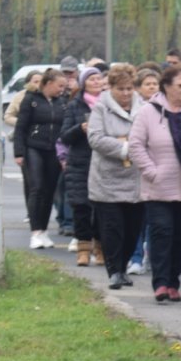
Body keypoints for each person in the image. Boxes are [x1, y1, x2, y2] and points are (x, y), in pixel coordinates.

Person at [127, 65, 181, 302]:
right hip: (159, 187)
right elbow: (136, 145)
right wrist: (151, 172)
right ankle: (161, 283)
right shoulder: (148, 111)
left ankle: (174, 282)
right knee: (162, 233)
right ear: (166, 86)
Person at [87, 64, 146, 290]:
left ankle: (124, 266)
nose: (125, 93)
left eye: (129, 88)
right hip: (108, 179)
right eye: (121, 89)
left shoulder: (144, 107)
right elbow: (95, 138)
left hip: (135, 178)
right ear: (111, 88)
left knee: (133, 228)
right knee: (113, 228)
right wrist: (126, 148)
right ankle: (114, 271)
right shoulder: (101, 108)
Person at [12, 69, 66, 249]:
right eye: (59, 86)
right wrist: (19, 152)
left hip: (53, 150)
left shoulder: (61, 103)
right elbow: (21, 127)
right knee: (37, 188)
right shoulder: (31, 100)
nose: (62, 90)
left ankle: (43, 230)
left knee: (49, 191)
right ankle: (35, 232)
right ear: (48, 83)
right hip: (33, 148)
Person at [57, 68, 102, 267]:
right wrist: (80, 128)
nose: (96, 82)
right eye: (91, 79)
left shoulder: (108, 104)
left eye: (98, 78)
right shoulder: (74, 105)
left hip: (103, 162)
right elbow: (65, 136)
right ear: (84, 83)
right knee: (81, 207)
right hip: (80, 163)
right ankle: (83, 249)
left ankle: (101, 248)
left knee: (102, 208)